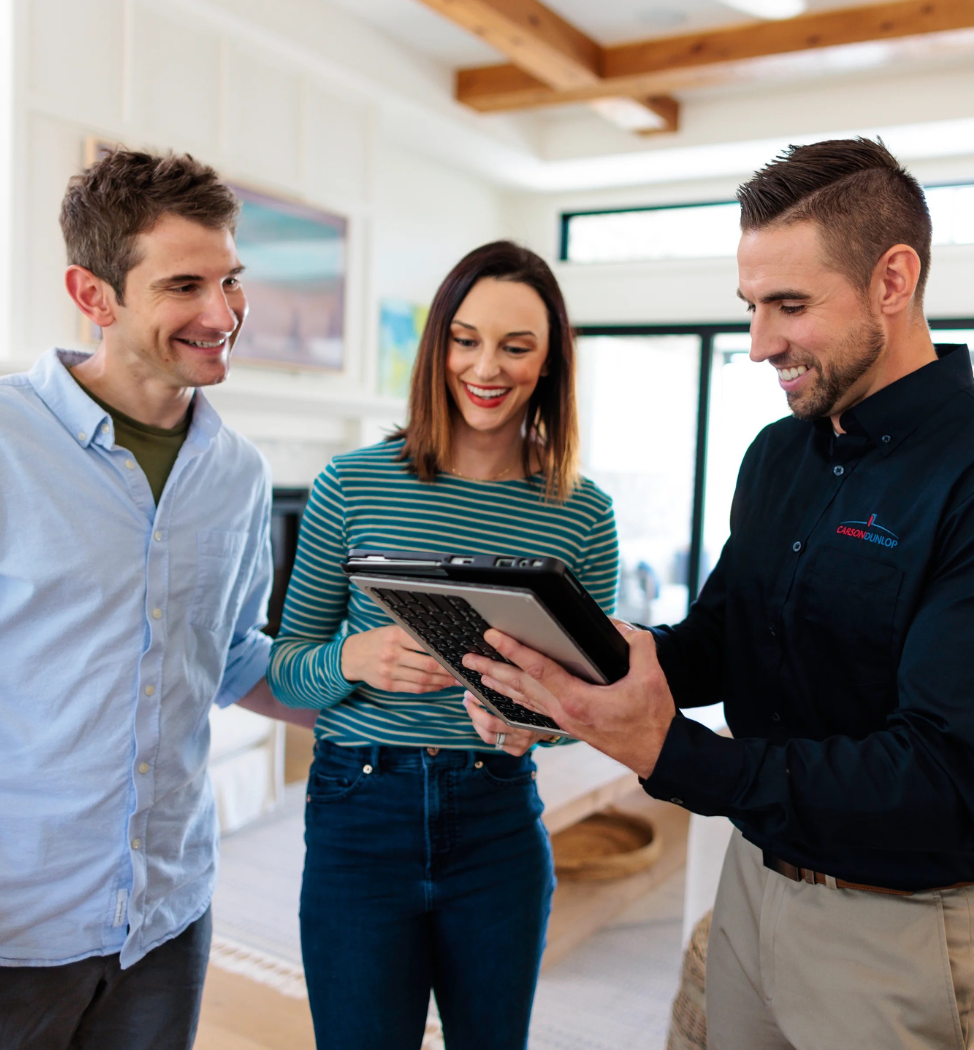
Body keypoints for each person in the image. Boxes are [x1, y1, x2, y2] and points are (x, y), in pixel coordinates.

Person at [461, 139, 974, 1049]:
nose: (757, 344)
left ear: (894, 280)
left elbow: (941, 776)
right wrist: (572, 669)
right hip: (753, 886)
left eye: (790, 306)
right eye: (750, 306)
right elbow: (722, 639)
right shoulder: (780, 453)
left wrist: (669, 751)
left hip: (900, 928)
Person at [267, 241, 619, 1050]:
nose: (485, 366)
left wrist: (538, 721)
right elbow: (288, 670)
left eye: (516, 346)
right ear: (438, 348)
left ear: (550, 362)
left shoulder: (582, 514)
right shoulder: (350, 485)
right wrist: (354, 660)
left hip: (497, 818)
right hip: (361, 814)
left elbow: (587, 708)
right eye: (465, 339)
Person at [0, 149, 315, 1050]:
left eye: (231, 281)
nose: (223, 315)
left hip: (165, 919)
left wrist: (392, 705)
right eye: (185, 284)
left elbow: (233, 660)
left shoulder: (240, 474)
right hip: (15, 922)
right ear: (93, 294)